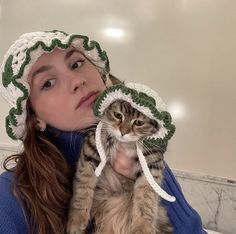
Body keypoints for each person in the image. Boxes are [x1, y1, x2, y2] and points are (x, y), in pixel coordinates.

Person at [0, 30, 207, 234]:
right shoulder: (11, 197)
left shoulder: (142, 147)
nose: (76, 81)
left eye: (76, 64)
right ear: (35, 119)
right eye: (48, 83)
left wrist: (153, 174)